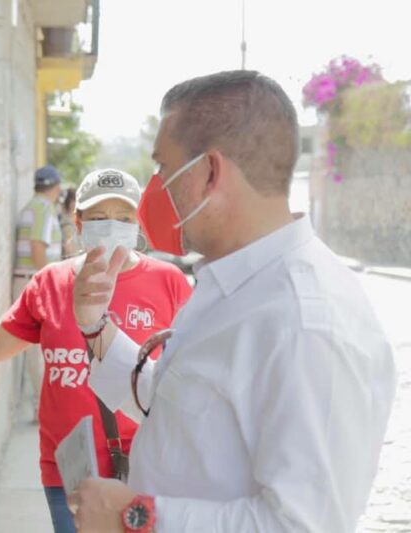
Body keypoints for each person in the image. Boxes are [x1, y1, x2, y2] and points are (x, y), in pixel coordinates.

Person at [68, 71, 397, 532]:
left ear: (208, 172)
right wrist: (94, 325)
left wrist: (133, 516)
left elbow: (301, 525)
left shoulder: (306, 324)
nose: (155, 189)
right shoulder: (234, 285)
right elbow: (175, 405)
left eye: (163, 168)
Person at [0, 168, 192, 533]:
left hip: (148, 464)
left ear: (137, 223)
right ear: (77, 222)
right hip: (70, 469)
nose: (111, 226)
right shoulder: (49, 283)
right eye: (98, 217)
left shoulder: (168, 282)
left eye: (123, 217)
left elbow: (193, 369)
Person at [14, 164, 65, 416]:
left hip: (27, 279)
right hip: (34, 279)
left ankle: (40, 403)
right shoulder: (44, 209)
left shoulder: (30, 206)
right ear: (56, 188)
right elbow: (37, 249)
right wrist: (51, 282)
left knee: (34, 348)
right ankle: (42, 405)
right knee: (40, 348)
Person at [59, 186, 80, 258]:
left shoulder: (78, 220)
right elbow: (69, 248)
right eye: (73, 200)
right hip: (72, 260)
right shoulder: (65, 223)